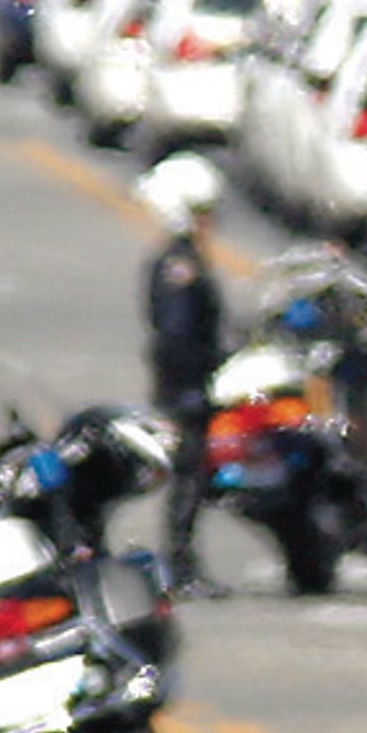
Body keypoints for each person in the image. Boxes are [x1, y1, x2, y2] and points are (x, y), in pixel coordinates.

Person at [138, 155, 229, 595]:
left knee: (195, 478)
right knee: (188, 480)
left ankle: (182, 563)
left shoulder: (182, 258)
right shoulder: (179, 266)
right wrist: (194, 381)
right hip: (185, 388)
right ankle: (178, 565)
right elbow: (176, 334)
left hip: (189, 384)